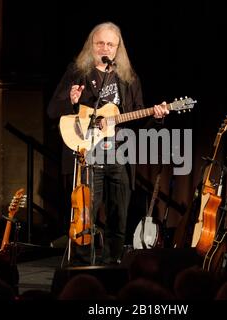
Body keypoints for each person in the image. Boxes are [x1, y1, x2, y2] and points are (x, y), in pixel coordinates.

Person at [47, 21, 168, 265]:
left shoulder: (128, 79)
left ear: (117, 49)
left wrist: (156, 118)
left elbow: (135, 119)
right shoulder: (77, 72)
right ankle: (82, 265)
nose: (105, 48)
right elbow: (52, 111)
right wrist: (70, 102)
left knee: (118, 214)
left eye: (110, 44)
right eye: (100, 43)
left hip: (119, 155)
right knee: (85, 213)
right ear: (91, 46)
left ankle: (113, 263)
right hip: (87, 155)